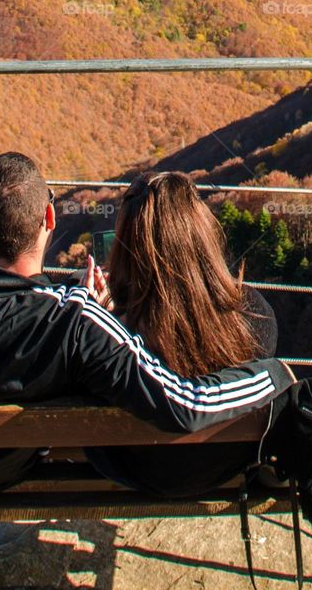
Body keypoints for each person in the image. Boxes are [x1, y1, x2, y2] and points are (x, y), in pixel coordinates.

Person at [0, 152, 294, 493]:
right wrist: (277, 376)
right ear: (49, 219)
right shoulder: (72, 321)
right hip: (3, 468)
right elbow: (180, 401)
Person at [85, 171, 279, 497]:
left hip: (134, 470)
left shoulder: (105, 336)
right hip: (223, 467)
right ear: (203, 236)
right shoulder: (255, 316)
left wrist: (93, 317)